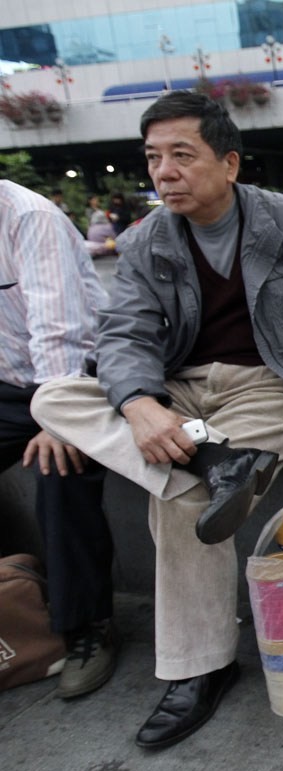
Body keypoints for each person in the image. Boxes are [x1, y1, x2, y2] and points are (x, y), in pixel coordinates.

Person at [30, 91, 283, 750]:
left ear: (230, 162)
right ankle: (217, 465)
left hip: (273, 382)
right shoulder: (145, 240)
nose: (163, 173)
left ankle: (198, 670)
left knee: (180, 504)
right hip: (177, 389)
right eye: (153, 158)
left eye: (182, 156)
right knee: (54, 398)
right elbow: (125, 334)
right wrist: (139, 405)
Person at [0, 179, 118, 700]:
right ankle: (14, 598)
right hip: (8, 383)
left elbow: (61, 329)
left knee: (61, 463)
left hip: (77, 376)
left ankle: (85, 626)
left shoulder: (29, 216)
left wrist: (54, 418)